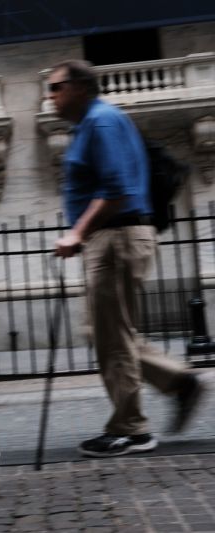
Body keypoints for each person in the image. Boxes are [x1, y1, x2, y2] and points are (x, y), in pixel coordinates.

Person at [50, 59, 208, 458]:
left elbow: (116, 188)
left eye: (56, 87)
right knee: (101, 331)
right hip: (113, 238)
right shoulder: (91, 124)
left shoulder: (100, 122)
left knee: (112, 336)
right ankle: (179, 382)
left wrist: (76, 233)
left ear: (80, 87)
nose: (50, 96)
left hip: (115, 238)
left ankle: (132, 429)